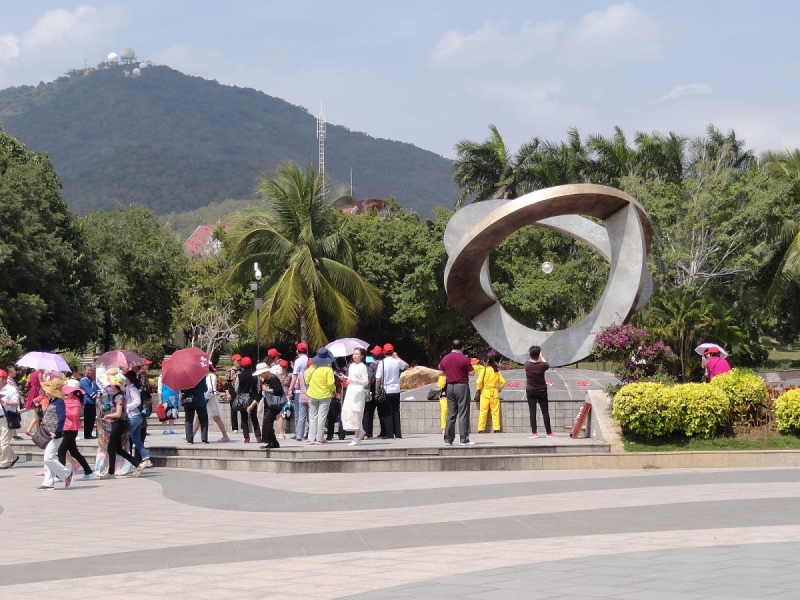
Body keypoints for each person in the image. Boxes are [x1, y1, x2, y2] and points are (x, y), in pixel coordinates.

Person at [97, 383, 145, 479]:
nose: (110, 386)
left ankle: (111, 473)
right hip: (119, 423)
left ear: (116, 386)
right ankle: (138, 464)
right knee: (118, 449)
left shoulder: (119, 397)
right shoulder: (120, 396)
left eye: (112, 384)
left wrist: (108, 416)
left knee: (111, 448)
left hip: (119, 423)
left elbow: (118, 414)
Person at [438, 339, 475, 446]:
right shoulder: (464, 359)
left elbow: (440, 372)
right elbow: (472, 373)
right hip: (462, 386)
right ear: (462, 347)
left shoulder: (445, 358)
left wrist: (450, 374)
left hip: (449, 387)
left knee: (451, 413)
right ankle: (464, 439)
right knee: (463, 412)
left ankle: (448, 440)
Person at [58, 379, 94, 480]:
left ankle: (62, 475)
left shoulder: (75, 400)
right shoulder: (68, 399)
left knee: (61, 450)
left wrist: (64, 411)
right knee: (74, 452)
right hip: (66, 427)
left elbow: (74, 414)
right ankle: (88, 471)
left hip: (71, 428)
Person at [375, 343, 408, 439]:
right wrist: (397, 357)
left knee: (388, 413)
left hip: (386, 389)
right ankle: (398, 434)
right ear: (392, 352)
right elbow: (406, 366)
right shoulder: (396, 362)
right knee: (396, 412)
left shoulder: (382, 363)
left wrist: (376, 390)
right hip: (396, 390)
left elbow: (378, 379)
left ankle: (390, 434)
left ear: (384, 353)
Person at [305, 348, 336, 445]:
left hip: (312, 394)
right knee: (322, 417)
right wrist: (333, 389)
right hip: (325, 394)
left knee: (312, 416)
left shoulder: (312, 367)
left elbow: (306, 380)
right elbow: (330, 383)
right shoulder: (328, 370)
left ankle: (310, 438)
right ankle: (319, 438)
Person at [251, 362, 285, 449]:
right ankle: (274, 442)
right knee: (267, 422)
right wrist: (252, 405)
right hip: (268, 404)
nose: (260, 376)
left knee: (267, 421)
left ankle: (267, 441)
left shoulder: (274, 378)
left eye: (261, 374)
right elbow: (260, 394)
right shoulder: (265, 380)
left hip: (275, 404)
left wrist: (268, 389)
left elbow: (279, 390)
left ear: (266, 372)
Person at [525, 345, 555, 438]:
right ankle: (549, 433)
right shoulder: (542, 365)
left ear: (530, 354)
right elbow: (547, 364)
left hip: (530, 390)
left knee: (532, 412)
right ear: (538, 354)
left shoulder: (527, 364)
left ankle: (534, 433)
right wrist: (541, 356)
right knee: (545, 412)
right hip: (542, 390)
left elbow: (531, 361)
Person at [195, 364, 231, 442]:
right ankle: (191, 435)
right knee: (200, 417)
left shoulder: (211, 376)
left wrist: (206, 398)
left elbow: (211, 389)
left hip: (210, 399)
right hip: (208, 399)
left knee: (214, 417)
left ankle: (225, 436)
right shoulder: (208, 376)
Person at [124, 371, 152, 466]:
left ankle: (128, 460)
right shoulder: (128, 388)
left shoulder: (132, 389)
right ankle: (146, 459)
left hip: (134, 416)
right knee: (136, 439)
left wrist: (127, 406)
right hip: (135, 417)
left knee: (126, 436)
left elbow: (137, 401)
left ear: (128, 378)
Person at [342, 348, 368, 446]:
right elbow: (350, 379)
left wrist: (354, 381)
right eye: (354, 354)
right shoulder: (351, 366)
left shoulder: (363, 367)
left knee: (357, 413)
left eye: (357, 354)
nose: (355, 356)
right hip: (350, 391)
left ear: (362, 356)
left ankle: (356, 437)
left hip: (359, 391)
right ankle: (359, 432)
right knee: (348, 411)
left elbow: (365, 382)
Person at [234, 357, 260, 443]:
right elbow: (258, 388)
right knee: (254, 418)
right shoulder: (255, 375)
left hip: (242, 399)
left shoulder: (239, 376)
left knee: (244, 418)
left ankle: (246, 437)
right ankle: (258, 436)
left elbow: (236, 389)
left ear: (242, 365)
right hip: (253, 399)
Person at [476, 357, 505, 433]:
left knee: (483, 412)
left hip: (485, 393)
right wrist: (499, 389)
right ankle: (496, 428)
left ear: (486, 363)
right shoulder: (496, 371)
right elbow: (503, 382)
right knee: (495, 411)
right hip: (494, 393)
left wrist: (479, 388)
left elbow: (478, 382)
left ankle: (481, 429)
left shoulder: (484, 371)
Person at [0, 369, 20, 469]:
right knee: (1, 443)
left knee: (4, 442)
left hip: (6, 418)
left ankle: (4, 463)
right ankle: (14, 456)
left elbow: (16, 403)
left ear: (4, 379)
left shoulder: (11, 390)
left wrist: (4, 402)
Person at [362, 347, 384, 439]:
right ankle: (384, 431)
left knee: (368, 412)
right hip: (382, 390)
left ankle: (367, 432)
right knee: (382, 412)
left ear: (373, 355)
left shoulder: (371, 365)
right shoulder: (384, 364)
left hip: (372, 388)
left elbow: (370, 378)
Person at [290, 343, 309, 441]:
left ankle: (298, 434)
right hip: (309, 390)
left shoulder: (298, 361)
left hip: (299, 390)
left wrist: (290, 389)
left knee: (299, 414)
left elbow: (294, 376)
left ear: (297, 351)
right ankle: (310, 432)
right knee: (310, 414)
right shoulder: (309, 360)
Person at [183, 376, 209, 444]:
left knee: (188, 420)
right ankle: (204, 439)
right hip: (200, 401)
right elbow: (205, 389)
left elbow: (182, 389)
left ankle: (189, 440)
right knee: (204, 420)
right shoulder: (201, 376)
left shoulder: (185, 376)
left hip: (188, 401)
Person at [79, 366, 100, 439]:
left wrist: (99, 393)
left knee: (92, 418)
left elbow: (97, 388)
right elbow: (87, 389)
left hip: (93, 402)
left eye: (91, 370)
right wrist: (94, 395)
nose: (90, 372)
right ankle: (87, 434)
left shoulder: (92, 380)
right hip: (87, 401)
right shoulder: (83, 380)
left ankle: (89, 433)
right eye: (88, 370)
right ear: (85, 371)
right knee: (88, 419)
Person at [226, 354, 243, 433]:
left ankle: (243, 426)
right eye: (237, 360)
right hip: (233, 391)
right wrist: (227, 393)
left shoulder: (242, 370)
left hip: (242, 392)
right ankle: (234, 428)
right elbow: (227, 384)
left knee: (243, 409)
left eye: (240, 360)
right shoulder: (230, 371)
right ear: (233, 361)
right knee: (233, 410)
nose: (239, 362)